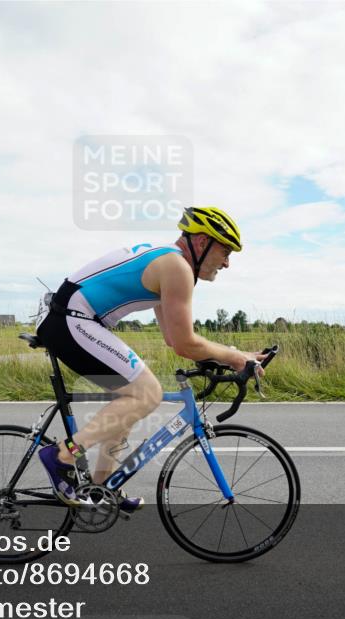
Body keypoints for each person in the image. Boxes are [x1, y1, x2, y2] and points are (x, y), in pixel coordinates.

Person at [34, 206, 266, 511]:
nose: (226, 263)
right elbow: (185, 343)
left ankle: (99, 489)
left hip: (72, 318)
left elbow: (174, 338)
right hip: (70, 319)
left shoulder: (170, 262)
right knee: (148, 393)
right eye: (225, 251)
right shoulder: (177, 267)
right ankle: (63, 455)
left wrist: (227, 357)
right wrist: (236, 358)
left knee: (132, 398)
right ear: (201, 242)